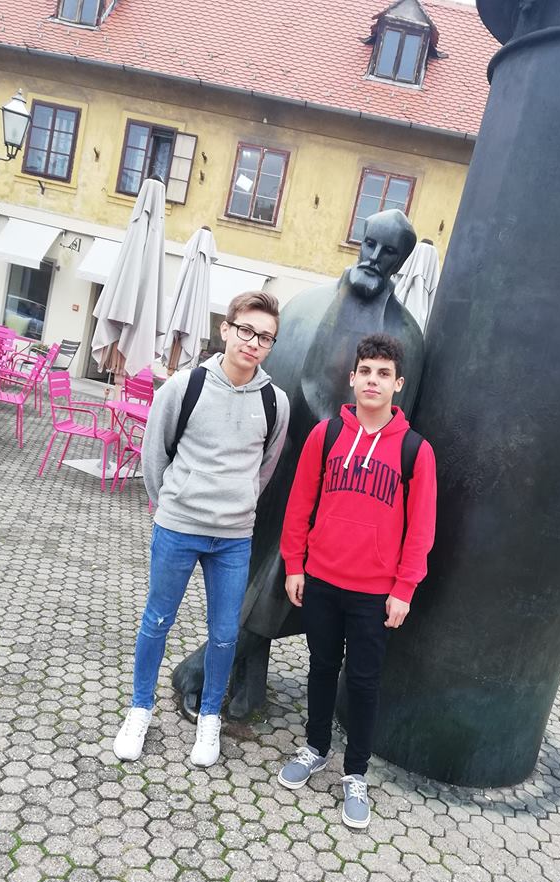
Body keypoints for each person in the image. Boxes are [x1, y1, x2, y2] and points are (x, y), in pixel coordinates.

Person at [171, 209, 425, 722]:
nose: (374, 258)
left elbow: (398, 418)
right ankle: (243, 682)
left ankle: (205, 667)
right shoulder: (305, 306)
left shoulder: (407, 336)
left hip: (344, 489)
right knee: (260, 578)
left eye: (388, 252)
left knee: (283, 586)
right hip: (279, 470)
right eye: (370, 244)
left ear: (402, 261)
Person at [113, 291, 289, 766]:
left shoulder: (275, 402)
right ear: (226, 329)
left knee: (226, 633)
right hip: (178, 527)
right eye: (246, 330)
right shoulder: (184, 386)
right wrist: (171, 503)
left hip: (233, 538)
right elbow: (155, 453)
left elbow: (265, 467)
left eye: (265, 337)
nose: (253, 342)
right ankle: (140, 708)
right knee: (157, 621)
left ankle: (210, 717)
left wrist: (240, 501)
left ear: (271, 344)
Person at [277, 333, 437, 828]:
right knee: (321, 667)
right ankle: (315, 747)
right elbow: (299, 503)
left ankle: (356, 773)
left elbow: (421, 529)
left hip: (374, 591)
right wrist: (294, 564)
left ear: (398, 384)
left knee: (364, 683)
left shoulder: (415, 450)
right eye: (365, 371)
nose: (373, 380)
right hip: (321, 579)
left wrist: (404, 589)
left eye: (383, 374)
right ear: (352, 378)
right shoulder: (325, 436)